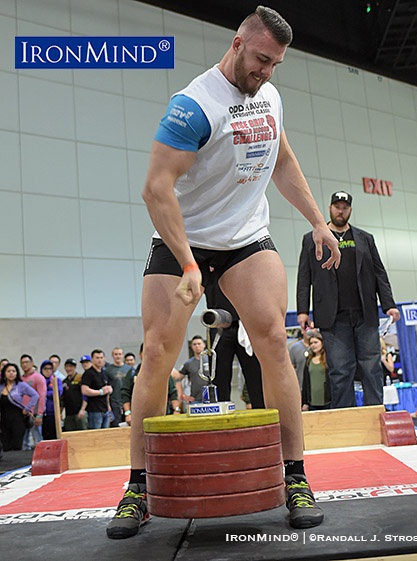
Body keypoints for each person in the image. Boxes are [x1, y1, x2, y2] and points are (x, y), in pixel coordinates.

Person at [106, 6, 340, 539]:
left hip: (245, 241)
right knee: (155, 354)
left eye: (275, 64)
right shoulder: (193, 106)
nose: (265, 73)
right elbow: (155, 189)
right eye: (260, 60)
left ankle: (295, 476)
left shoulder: (270, 96)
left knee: (275, 343)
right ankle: (137, 488)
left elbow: (281, 160)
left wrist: (318, 223)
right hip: (184, 241)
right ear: (237, 44)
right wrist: (188, 262)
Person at [296, 191, 400, 409]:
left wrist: (389, 305)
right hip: (332, 316)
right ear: (330, 208)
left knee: (371, 367)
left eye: (345, 207)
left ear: (350, 210)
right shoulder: (312, 238)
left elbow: (380, 273)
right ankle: (346, 416)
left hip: (365, 313)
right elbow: (304, 277)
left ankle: (374, 413)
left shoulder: (365, 239)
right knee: (340, 369)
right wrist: (302, 310)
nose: (340, 210)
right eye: (337, 206)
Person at [204, 274, 265, 408]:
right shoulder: (207, 263)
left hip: (245, 323)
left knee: (254, 373)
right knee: (218, 376)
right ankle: (220, 413)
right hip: (218, 322)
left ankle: (261, 410)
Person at [122, 344, 181, 425]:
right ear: (140, 355)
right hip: (139, 416)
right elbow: (125, 394)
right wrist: (128, 413)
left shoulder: (164, 372)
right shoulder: (133, 372)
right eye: (145, 353)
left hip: (162, 415)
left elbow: (173, 393)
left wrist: (176, 410)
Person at [0, 363, 39, 451]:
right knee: (5, 447)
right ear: (4, 373)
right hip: (4, 421)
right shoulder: (1, 387)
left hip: (17, 420)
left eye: (13, 371)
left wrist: (27, 408)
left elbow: (35, 395)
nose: (11, 373)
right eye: (8, 371)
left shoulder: (21, 385)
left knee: (16, 446)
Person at [81, 349, 113, 429]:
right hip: (94, 410)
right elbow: (84, 390)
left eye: (101, 358)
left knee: (105, 434)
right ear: (92, 359)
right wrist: (100, 392)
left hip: (105, 408)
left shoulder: (104, 373)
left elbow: (107, 390)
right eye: (97, 358)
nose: (100, 360)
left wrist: (108, 404)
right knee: (96, 434)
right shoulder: (88, 373)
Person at [20, 353, 46, 450]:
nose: (24, 365)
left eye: (26, 362)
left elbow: (42, 396)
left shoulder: (38, 378)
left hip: (34, 414)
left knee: (37, 441)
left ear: (32, 363)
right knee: (24, 442)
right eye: (22, 363)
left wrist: (39, 414)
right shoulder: (21, 379)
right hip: (23, 414)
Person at [172, 336, 208, 404]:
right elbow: (178, 379)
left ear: (204, 345)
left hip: (211, 398)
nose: (197, 346)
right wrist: (184, 396)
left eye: (199, 343)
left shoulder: (211, 361)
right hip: (196, 400)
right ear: (191, 346)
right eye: (194, 344)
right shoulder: (188, 364)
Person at [301, 332, 331, 411]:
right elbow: (305, 382)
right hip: (312, 402)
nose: (313, 345)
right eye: (311, 343)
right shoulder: (308, 361)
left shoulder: (328, 359)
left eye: (316, 342)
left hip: (327, 401)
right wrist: (304, 402)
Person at [104, 348, 133, 427]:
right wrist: (108, 404)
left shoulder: (130, 369)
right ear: (112, 356)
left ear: (122, 355)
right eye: (116, 354)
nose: (118, 356)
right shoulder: (108, 370)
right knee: (116, 425)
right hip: (115, 403)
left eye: (120, 354)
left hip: (127, 402)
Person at [62, 358, 88, 431]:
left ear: (75, 367)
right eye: (67, 367)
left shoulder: (80, 378)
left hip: (80, 412)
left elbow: (85, 395)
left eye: (71, 367)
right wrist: (60, 413)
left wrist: (82, 409)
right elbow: (62, 399)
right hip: (69, 414)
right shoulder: (64, 382)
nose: (69, 369)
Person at [40, 360, 63, 440]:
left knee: (54, 436)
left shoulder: (56, 380)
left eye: (50, 369)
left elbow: (57, 393)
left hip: (53, 412)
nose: (48, 371)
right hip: (41, 413)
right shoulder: (39, 380)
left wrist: (44, 393)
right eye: (45, 369)